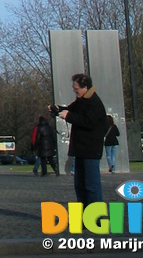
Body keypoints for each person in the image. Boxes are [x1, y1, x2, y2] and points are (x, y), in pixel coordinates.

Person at [52, 72, 106, 207]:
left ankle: (96, 218)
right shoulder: (82, 100)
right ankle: (84, 216)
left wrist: (68, 116)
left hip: (91, 150)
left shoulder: (94, 103)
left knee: (92, 185)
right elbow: (70, 110)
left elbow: (88, 122)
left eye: (76, 89)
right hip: (81, 149)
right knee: (80, 185)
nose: (74, 91)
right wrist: (58, 109)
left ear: (85, 88)